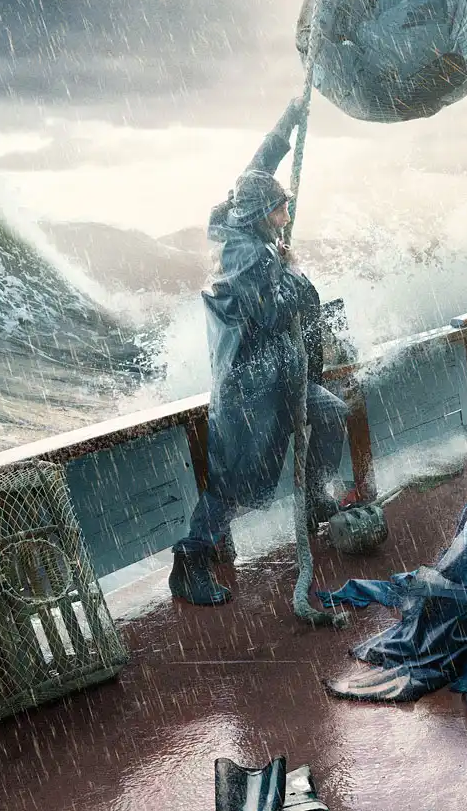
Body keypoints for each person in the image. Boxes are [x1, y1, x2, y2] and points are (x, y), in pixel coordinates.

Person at [168, 96, 349, 607]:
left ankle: (315, 500)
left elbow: (258, 170)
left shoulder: (240, 214)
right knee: (233, 487)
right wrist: (292, 270)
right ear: (260, 215)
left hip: (279, 376)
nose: (287, 214)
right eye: (281, 209)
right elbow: (273, 313)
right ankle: (190, 562)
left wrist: (288, 122)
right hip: (251, 389)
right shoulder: (246, 256)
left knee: (331, 414)